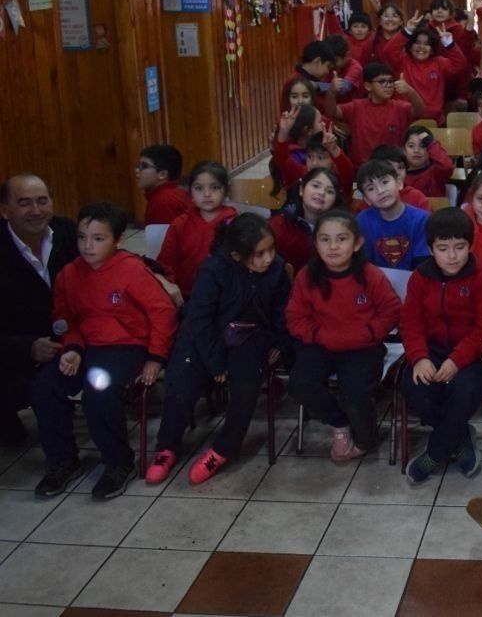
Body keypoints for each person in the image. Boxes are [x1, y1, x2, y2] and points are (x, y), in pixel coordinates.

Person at [32, 201, 178, 499]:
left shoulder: (132, 271)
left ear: (118, 240)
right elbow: (64, 319)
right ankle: (62, 460)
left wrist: (156, 357)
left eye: (98, 239)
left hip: (127, 346)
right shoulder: (68, 275)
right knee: (43, 387)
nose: (88, 246)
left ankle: (117, 462)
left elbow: (162, 313)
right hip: (85, 346)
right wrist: (71, 347)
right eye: (82, 237)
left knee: (99, 389)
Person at [148, 214, 291, 486]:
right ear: (237, 255)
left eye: (271, 250)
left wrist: (279, 343)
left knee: (246, 388)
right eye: (259, 254)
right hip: (206, 336)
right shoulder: (213, 270)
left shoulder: (277, 271)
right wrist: (216, 365)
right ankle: (166, 446)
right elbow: (200, 321)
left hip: (251, 335)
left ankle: (223, 449)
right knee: (182, 381)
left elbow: (282, 312)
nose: (268, 258)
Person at [286, 210, 402, 462]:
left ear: (357, 243)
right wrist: (319, 335)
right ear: (315, 243)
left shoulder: (370, 275)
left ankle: (365, 438)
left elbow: (390, 310)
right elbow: (295, 318)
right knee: (300, 383)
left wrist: (369, 333)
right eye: (325, 239)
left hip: (362, 346)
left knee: (356, 390)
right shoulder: (307, 276)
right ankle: (339, 423)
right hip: (321, 345)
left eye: (341, 239)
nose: (333, 246)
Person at [400, 208, 482, 484]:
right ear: (431, 248)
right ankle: (459, 437)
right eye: (443, 248)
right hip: (432, 349)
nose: (453, 255)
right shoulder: (420, 277)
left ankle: (435, 452)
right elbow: (410, 322)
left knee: (463, 388)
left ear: (470, 245)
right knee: (414, 385)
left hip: (476, 354)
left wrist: (457, 360)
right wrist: (420, 357)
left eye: (460, 247)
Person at [0, 174, 78, 445]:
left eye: (42, 201)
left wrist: (159, 276)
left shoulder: (67, 232)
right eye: (24, 203)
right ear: (5, 209)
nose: (35, 211)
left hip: (73, 341)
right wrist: (28, 347)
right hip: (15, 350)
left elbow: (110, 258)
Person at [157, 162, 238, 298]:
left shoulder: (236, 223)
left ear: (226, 190)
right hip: (186, 295)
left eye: (215, 187)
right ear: (190, 193)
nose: (207, 194)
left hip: (226, 295)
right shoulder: (180, 224)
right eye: (199, 188)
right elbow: (165, 263)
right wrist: (169, 285)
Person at [325, 63, 425, 168]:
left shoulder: (400, 107)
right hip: (362, 167)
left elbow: (420, 111)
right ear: (368, 86)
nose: (388, 85)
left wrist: (410, 91)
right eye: (382, 81)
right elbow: (333, 111)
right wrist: (331, 92)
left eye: (390, 81)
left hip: (392, 167)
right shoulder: (356, 106)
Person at [355, 160, 431, 270]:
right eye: (371, 188)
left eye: (384, 182)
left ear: (399, 183)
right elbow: (364, 264)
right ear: (366, 199)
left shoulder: (421, 219)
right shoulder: (362, 221)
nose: (380, 191)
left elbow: (422, 264)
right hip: (375, 282)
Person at [270, 168, 342, 272]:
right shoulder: (278, 225)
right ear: (301, 190)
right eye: (316, 186)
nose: (321, 193)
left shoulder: (341, 228)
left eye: (330, 191)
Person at [137, 145, 189, 225]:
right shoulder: (167, 194)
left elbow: (166, 237)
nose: (137, 170)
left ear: (162, 174)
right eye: (138, 166)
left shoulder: (165, 201)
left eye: (144, 166)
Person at [401, 125, 454, 198]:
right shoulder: (399, 176)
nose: (416, 150)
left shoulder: (435, 173)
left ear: (430, 150)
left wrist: (431, 143)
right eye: (411, 146)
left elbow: (447, 166)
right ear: (404, 150)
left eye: (422, 146)